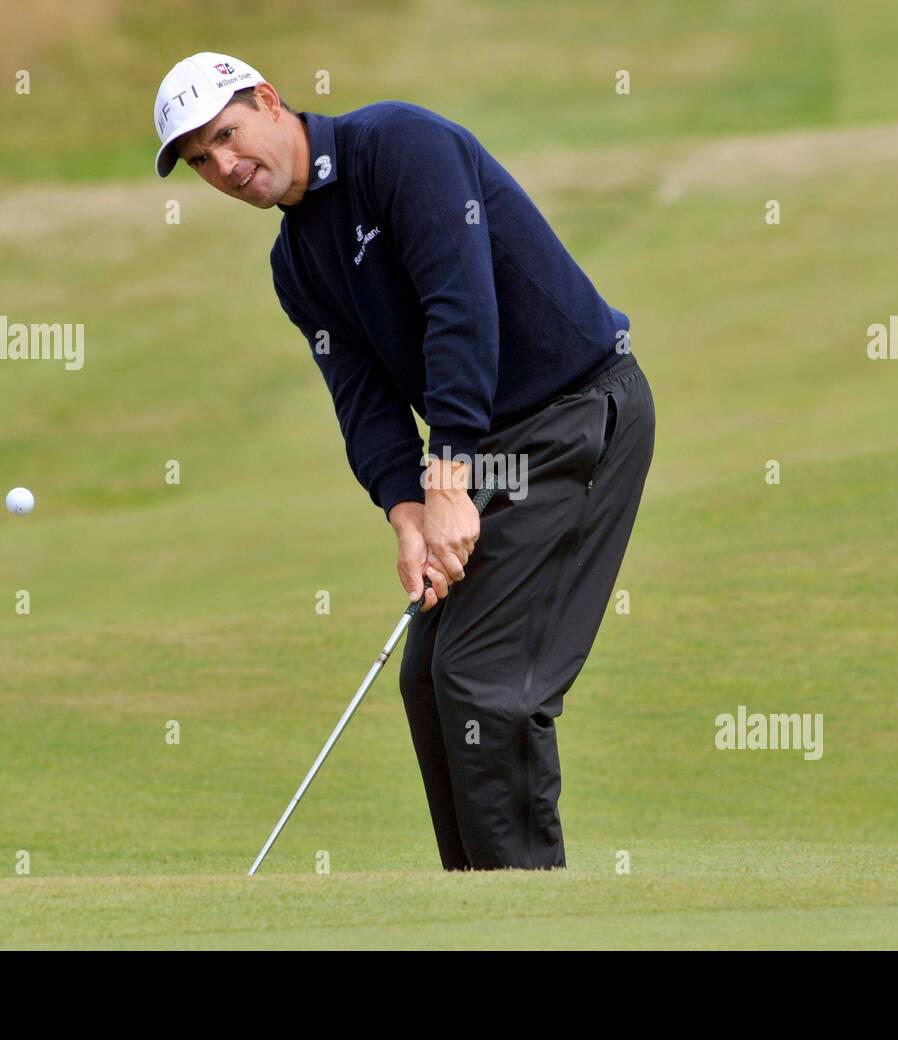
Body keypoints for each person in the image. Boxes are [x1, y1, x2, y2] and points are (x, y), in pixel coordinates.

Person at [153, 52, 655, 869]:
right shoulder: (296, 264)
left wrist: (449, 476)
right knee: (427, 680)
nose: (225, 168)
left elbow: (461, 308)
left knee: (485, 680)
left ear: (269, 102)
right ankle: (476, 906)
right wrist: (407, 512)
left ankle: (524, 916)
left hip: (576, 415)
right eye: (203, 162)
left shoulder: (398, 146)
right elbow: (364, 402)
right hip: (491, 450)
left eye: (225, 136)